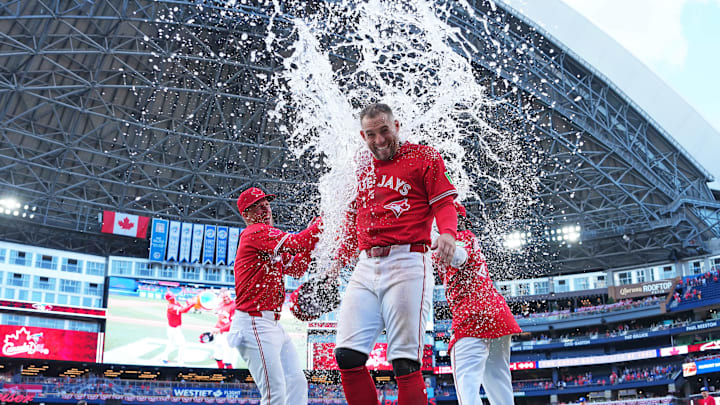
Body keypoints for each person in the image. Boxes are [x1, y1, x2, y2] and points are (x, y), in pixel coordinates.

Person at [332, 103, 459, 405]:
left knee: (404, 362)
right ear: (363, 135)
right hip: (365, 265)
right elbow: (354, 220)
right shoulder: (359, 165)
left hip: (408, 261)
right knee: (346, 355)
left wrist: (448, 234)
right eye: (371, 134)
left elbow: (443, 204)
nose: (379, 140)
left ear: (397, 126)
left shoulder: (423, 157)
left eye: (384, 130)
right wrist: (338, 260)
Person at [226, 187, 322, 405]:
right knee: (275, 393)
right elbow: (298, 242)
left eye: (266, 204)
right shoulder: (255, 232)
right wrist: (324, 222)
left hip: (271, 324)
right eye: (257, 206)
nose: (265, 209)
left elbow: (297, 268)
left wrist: (312, 236)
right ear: (246, 215)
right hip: (254, 323)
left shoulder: (265, 239)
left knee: (296, 382)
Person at [433, 202, 521, 405]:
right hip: (497, 312)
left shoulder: (459, 239)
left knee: (467, 386)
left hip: (472, 316)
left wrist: (427, 231)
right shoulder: (466, 238)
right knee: (498, 381)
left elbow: (459, 257)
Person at [160, 290, 195, 366]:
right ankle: (180, 363)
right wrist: (191, 304)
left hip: (175, 327)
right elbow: (183, 310)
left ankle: (164, 358)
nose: (173, 298)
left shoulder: (176, 303)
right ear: (168, 300)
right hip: (173, 329)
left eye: (173, 297)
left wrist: (188, 304)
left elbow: (184, 309)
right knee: (182, 344)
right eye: (171, 298)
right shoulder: (170, 307)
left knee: (171, 343)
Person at [211, 290, 237, 369]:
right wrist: (214, 329)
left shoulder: (234, 306)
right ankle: (219, 377)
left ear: (230, 295)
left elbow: (233, 323)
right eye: (224, 297)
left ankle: (230, 379)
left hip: (229, 335)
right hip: (220, 334)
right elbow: (220, 320)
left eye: (227, 296)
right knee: (218, 357)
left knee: (227, 360)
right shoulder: (220, 305)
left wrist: (220, 330)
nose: (226, 298)